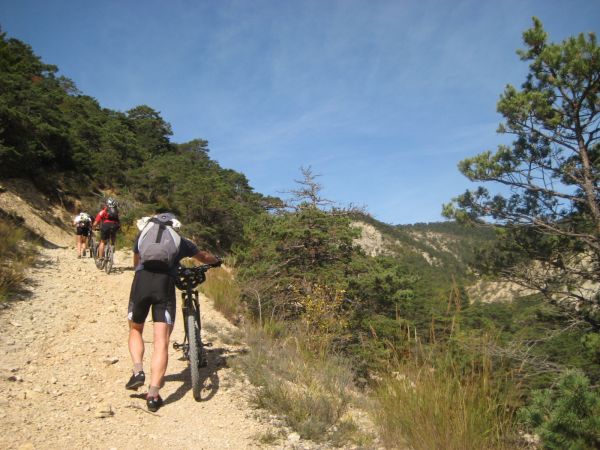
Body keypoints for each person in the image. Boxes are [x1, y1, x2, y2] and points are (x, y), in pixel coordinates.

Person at [126, 212, 221, 412]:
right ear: (174, 225)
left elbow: (136, 262)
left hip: (141, 283)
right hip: (164, 285)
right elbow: (203, 257)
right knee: (161, 340)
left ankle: (138, 370)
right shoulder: (180, 241)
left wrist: (140, 273)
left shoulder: (143, 235)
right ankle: (153, 395)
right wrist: (215, 261)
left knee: (136, 329)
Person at [93, 198, 120, 265]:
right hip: (115, 225)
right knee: (113, 235)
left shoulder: (103, 211)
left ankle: (100, 258)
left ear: (107, 204)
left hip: (106, 226)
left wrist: (93, 227)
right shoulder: (116, 211)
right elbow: (118, 221)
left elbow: (96, 222)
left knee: (102, 241)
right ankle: (112, 247)